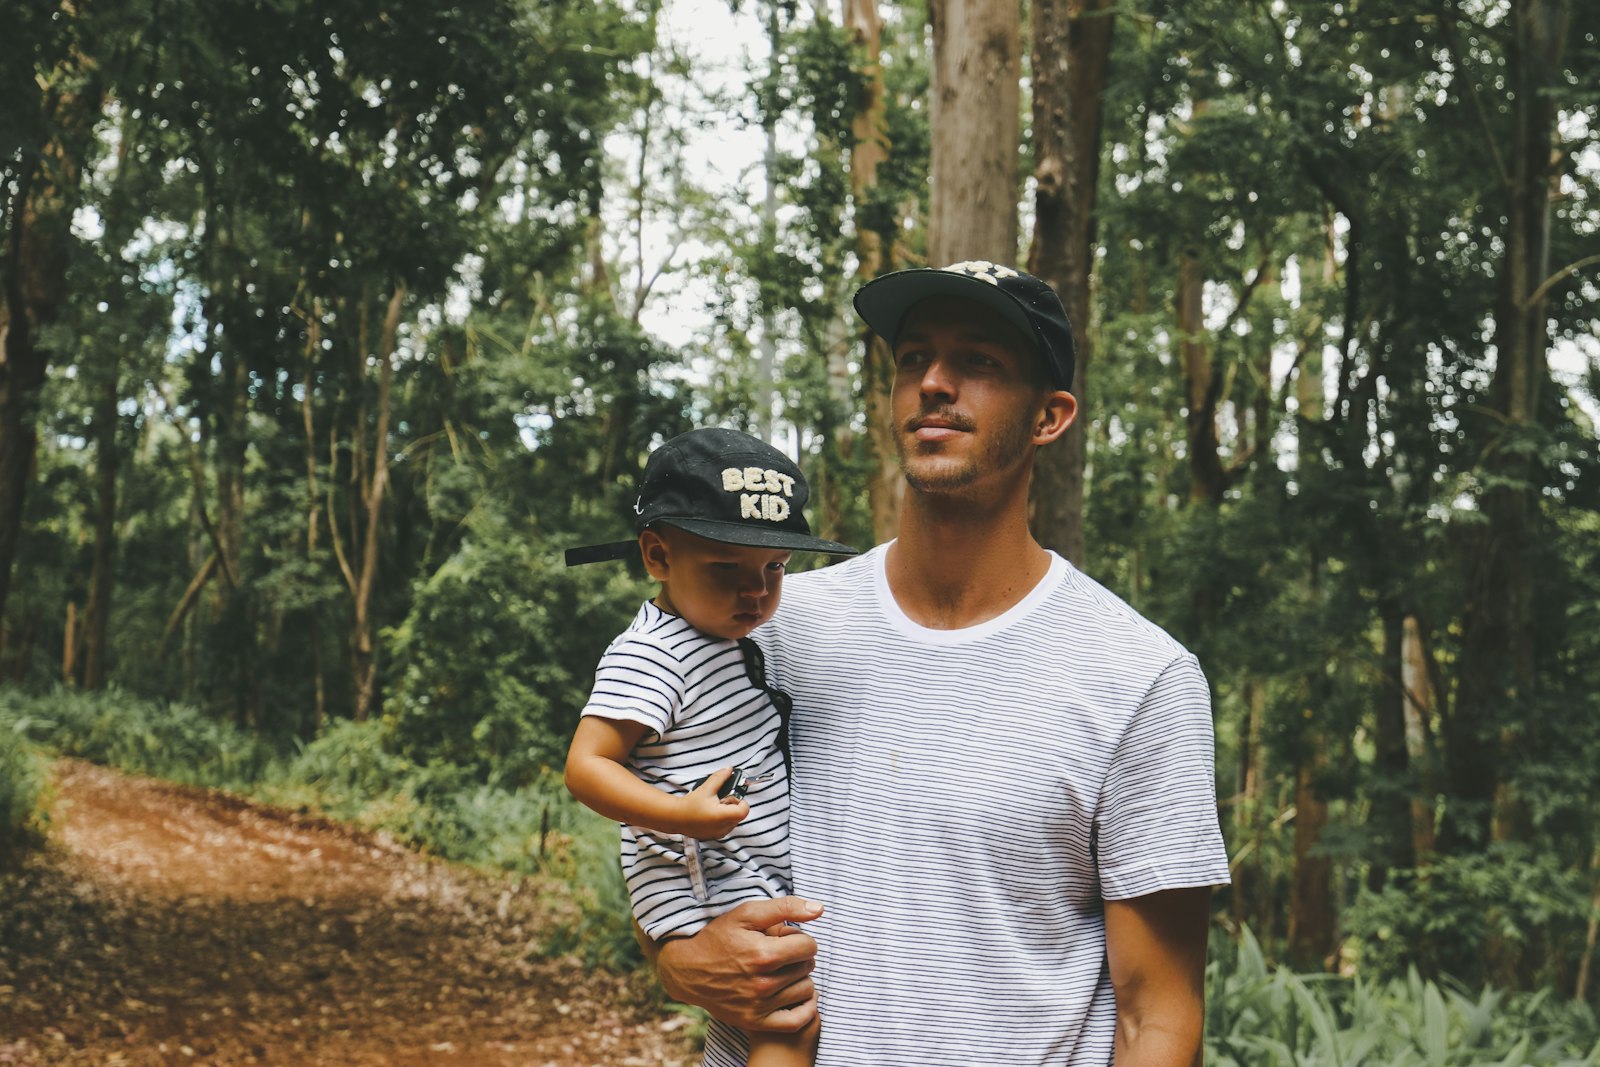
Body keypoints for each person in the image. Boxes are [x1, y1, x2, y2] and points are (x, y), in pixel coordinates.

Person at [647, 261, 1232, 1066]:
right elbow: (666, 847)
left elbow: (1158, 1017)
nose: (933, 382)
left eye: (979, 362)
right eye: (912, 357)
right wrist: (677, 960)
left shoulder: (1139, 677)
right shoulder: (770, 629)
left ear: (1049, 417)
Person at [563, 427, 859, 1067]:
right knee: (789, 1017)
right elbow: (586, 767)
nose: (755, 591)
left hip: (727, 858)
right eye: (727, 568)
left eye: (774, 569)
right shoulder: (654, 653)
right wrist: (682, 815)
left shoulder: (718, 635)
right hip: (697, 870)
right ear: (658, 556)